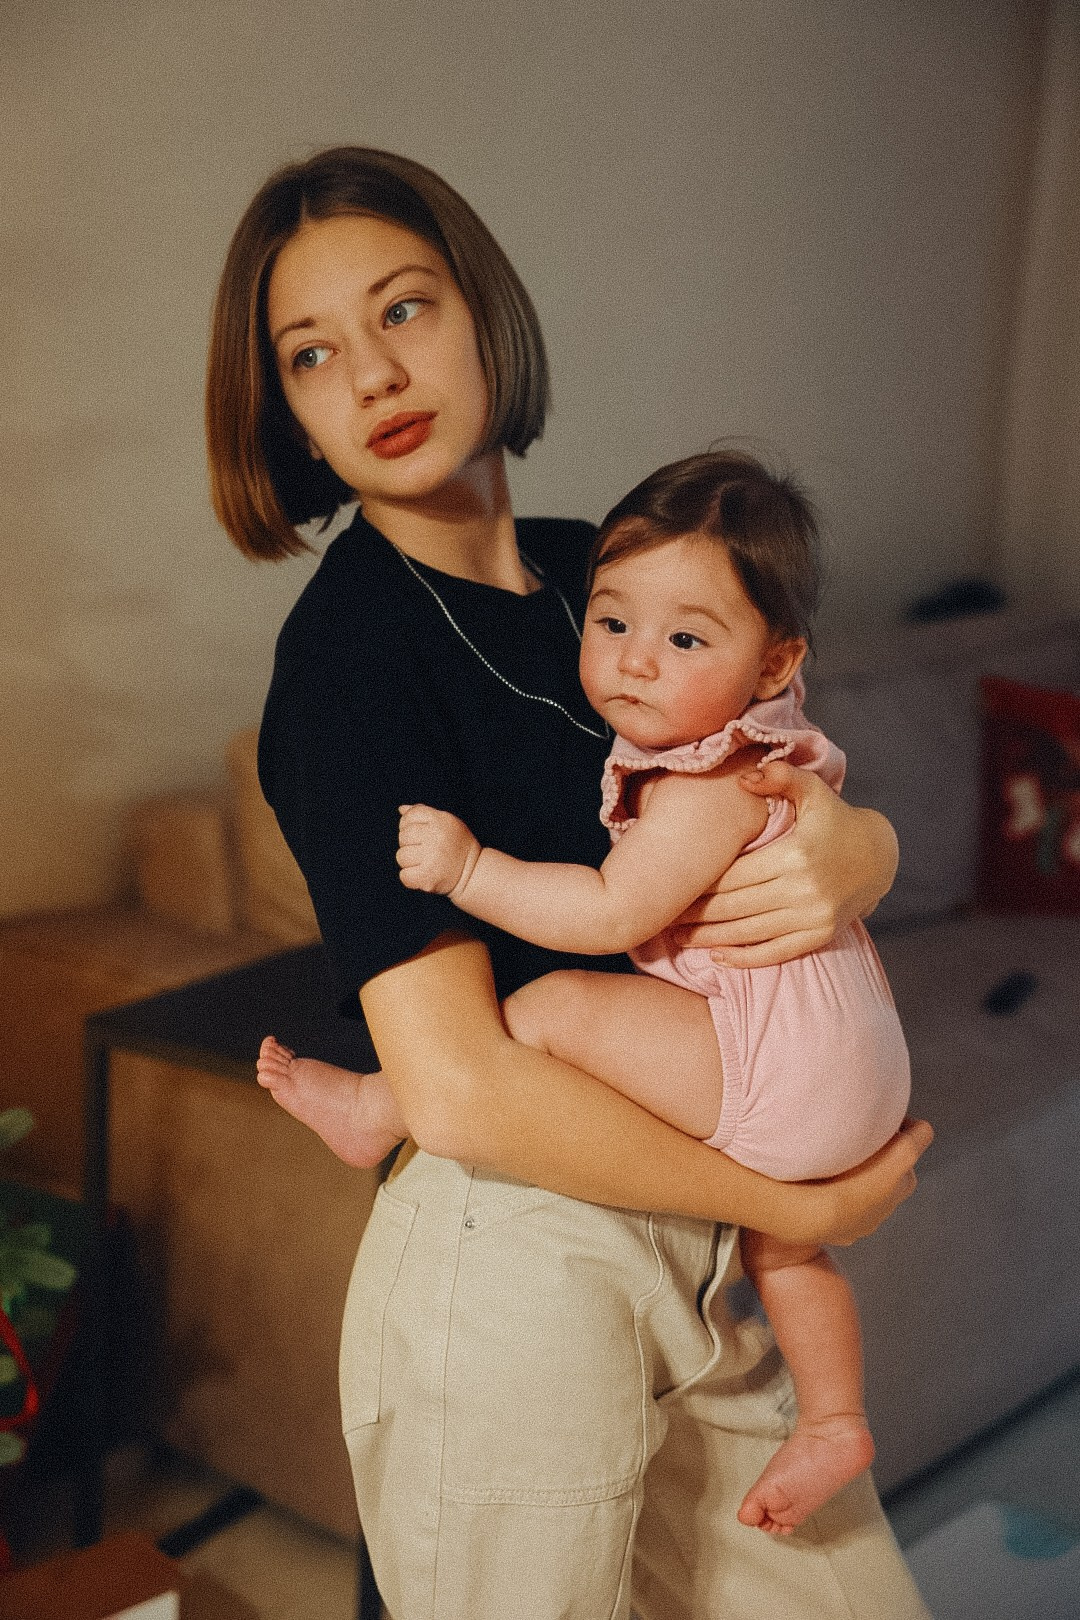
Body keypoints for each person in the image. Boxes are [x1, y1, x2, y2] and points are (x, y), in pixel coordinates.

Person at [208, 145, 932, 1619]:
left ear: (483, 312)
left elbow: (761, 760)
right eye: (312, 354)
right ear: (284, 410)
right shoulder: (349, 666)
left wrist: (866, 849)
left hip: (689, 1256)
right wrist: (809, 1208)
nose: (372, 375)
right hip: (517, 1253)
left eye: (404, 310)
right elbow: (465, 1086)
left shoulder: (596, 574)